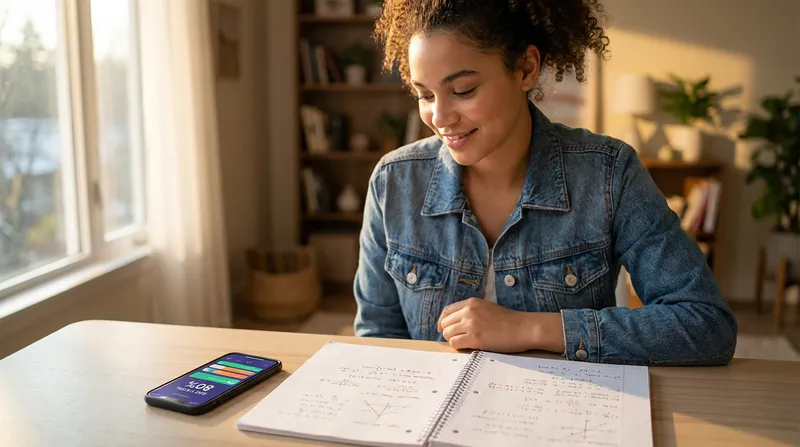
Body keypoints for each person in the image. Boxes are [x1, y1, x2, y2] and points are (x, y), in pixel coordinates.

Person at [353, 0, 737, 366]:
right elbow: (377, 337)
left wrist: (528, 328)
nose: (439, 116)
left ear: (526, 68)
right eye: (425, 94)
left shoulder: (608, 175)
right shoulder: (394, 182)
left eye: (463, 91)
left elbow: (706, 324)